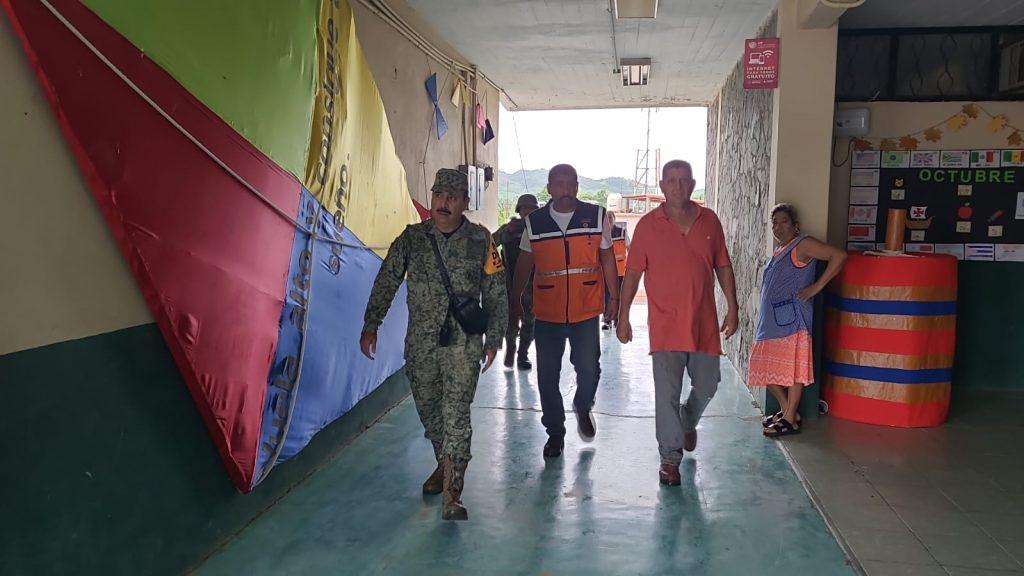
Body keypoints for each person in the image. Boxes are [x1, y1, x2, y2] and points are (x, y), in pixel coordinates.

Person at [360, 168, 508, 521]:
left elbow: (497, 292)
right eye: (439, 194)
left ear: (464, 203)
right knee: (429, 409)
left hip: (463, 342)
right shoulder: (412, 239)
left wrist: (495, 339)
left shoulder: (480, 239)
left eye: (452, 197)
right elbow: (387, 279)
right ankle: (445, 462)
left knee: (456, 413)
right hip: (421, 342)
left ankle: (452, 493)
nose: (443, 202)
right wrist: (371, 324)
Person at [616, 159, 739, 486]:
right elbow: (632, 273)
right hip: (665, 325)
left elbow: (723, 266)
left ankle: (687, 420)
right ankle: (670, 459)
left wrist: (733, 306)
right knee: (666, 393)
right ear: (661, 185)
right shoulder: (647, 225)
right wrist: (622, 314)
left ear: (693, 183)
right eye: (671, 180)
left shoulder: (709, 220)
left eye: (683, 180)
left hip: (704, 322)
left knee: (709, 383)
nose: (677, 186)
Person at [510, 164, 620, 458]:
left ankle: (583, 405)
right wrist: (515, 298)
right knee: (547, 375)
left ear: (577, 187)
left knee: (589, 369)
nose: (566, 190)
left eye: (571, 184)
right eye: (559, 184)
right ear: (549, 189)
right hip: (547, 313)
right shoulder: (535, 222)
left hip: (586, 310)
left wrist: (614, 298)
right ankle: (555, 433)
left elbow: (608, 259)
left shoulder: (595, 216)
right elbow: (524, 263)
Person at [752, 203, 847, 438]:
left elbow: (839, 256)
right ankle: (788, 412)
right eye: (775, 222)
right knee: (763, 366)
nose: (778, 227)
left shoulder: (802, 244)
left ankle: (789, 419)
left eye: (784, 221)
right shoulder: (779, 249)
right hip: (771, 321)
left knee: (792, 369)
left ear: (796, 225)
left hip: (792, 320)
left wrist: (817, 286)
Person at [492, 194, 540, 370]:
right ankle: (511, 348)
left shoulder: (539, 229)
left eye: (531, 209)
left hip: (532, 287)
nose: (527, 212)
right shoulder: (508, 229)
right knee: (511, 321)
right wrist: (506, 232)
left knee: (530, 323)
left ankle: (523, 355)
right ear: (519, 210)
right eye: (525, 208)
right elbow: (490, 244)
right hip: (510, 285)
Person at [603, 210, 630, 330]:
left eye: (610, 217)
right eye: (607, 217)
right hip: (606, 273)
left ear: (614, 218)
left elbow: (630, 248)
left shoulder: (622, 232)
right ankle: (607, 320)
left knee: (619, 296)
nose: (609, 220)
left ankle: (617, 320)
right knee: (607, 297)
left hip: (620, 271)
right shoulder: (602, 233)